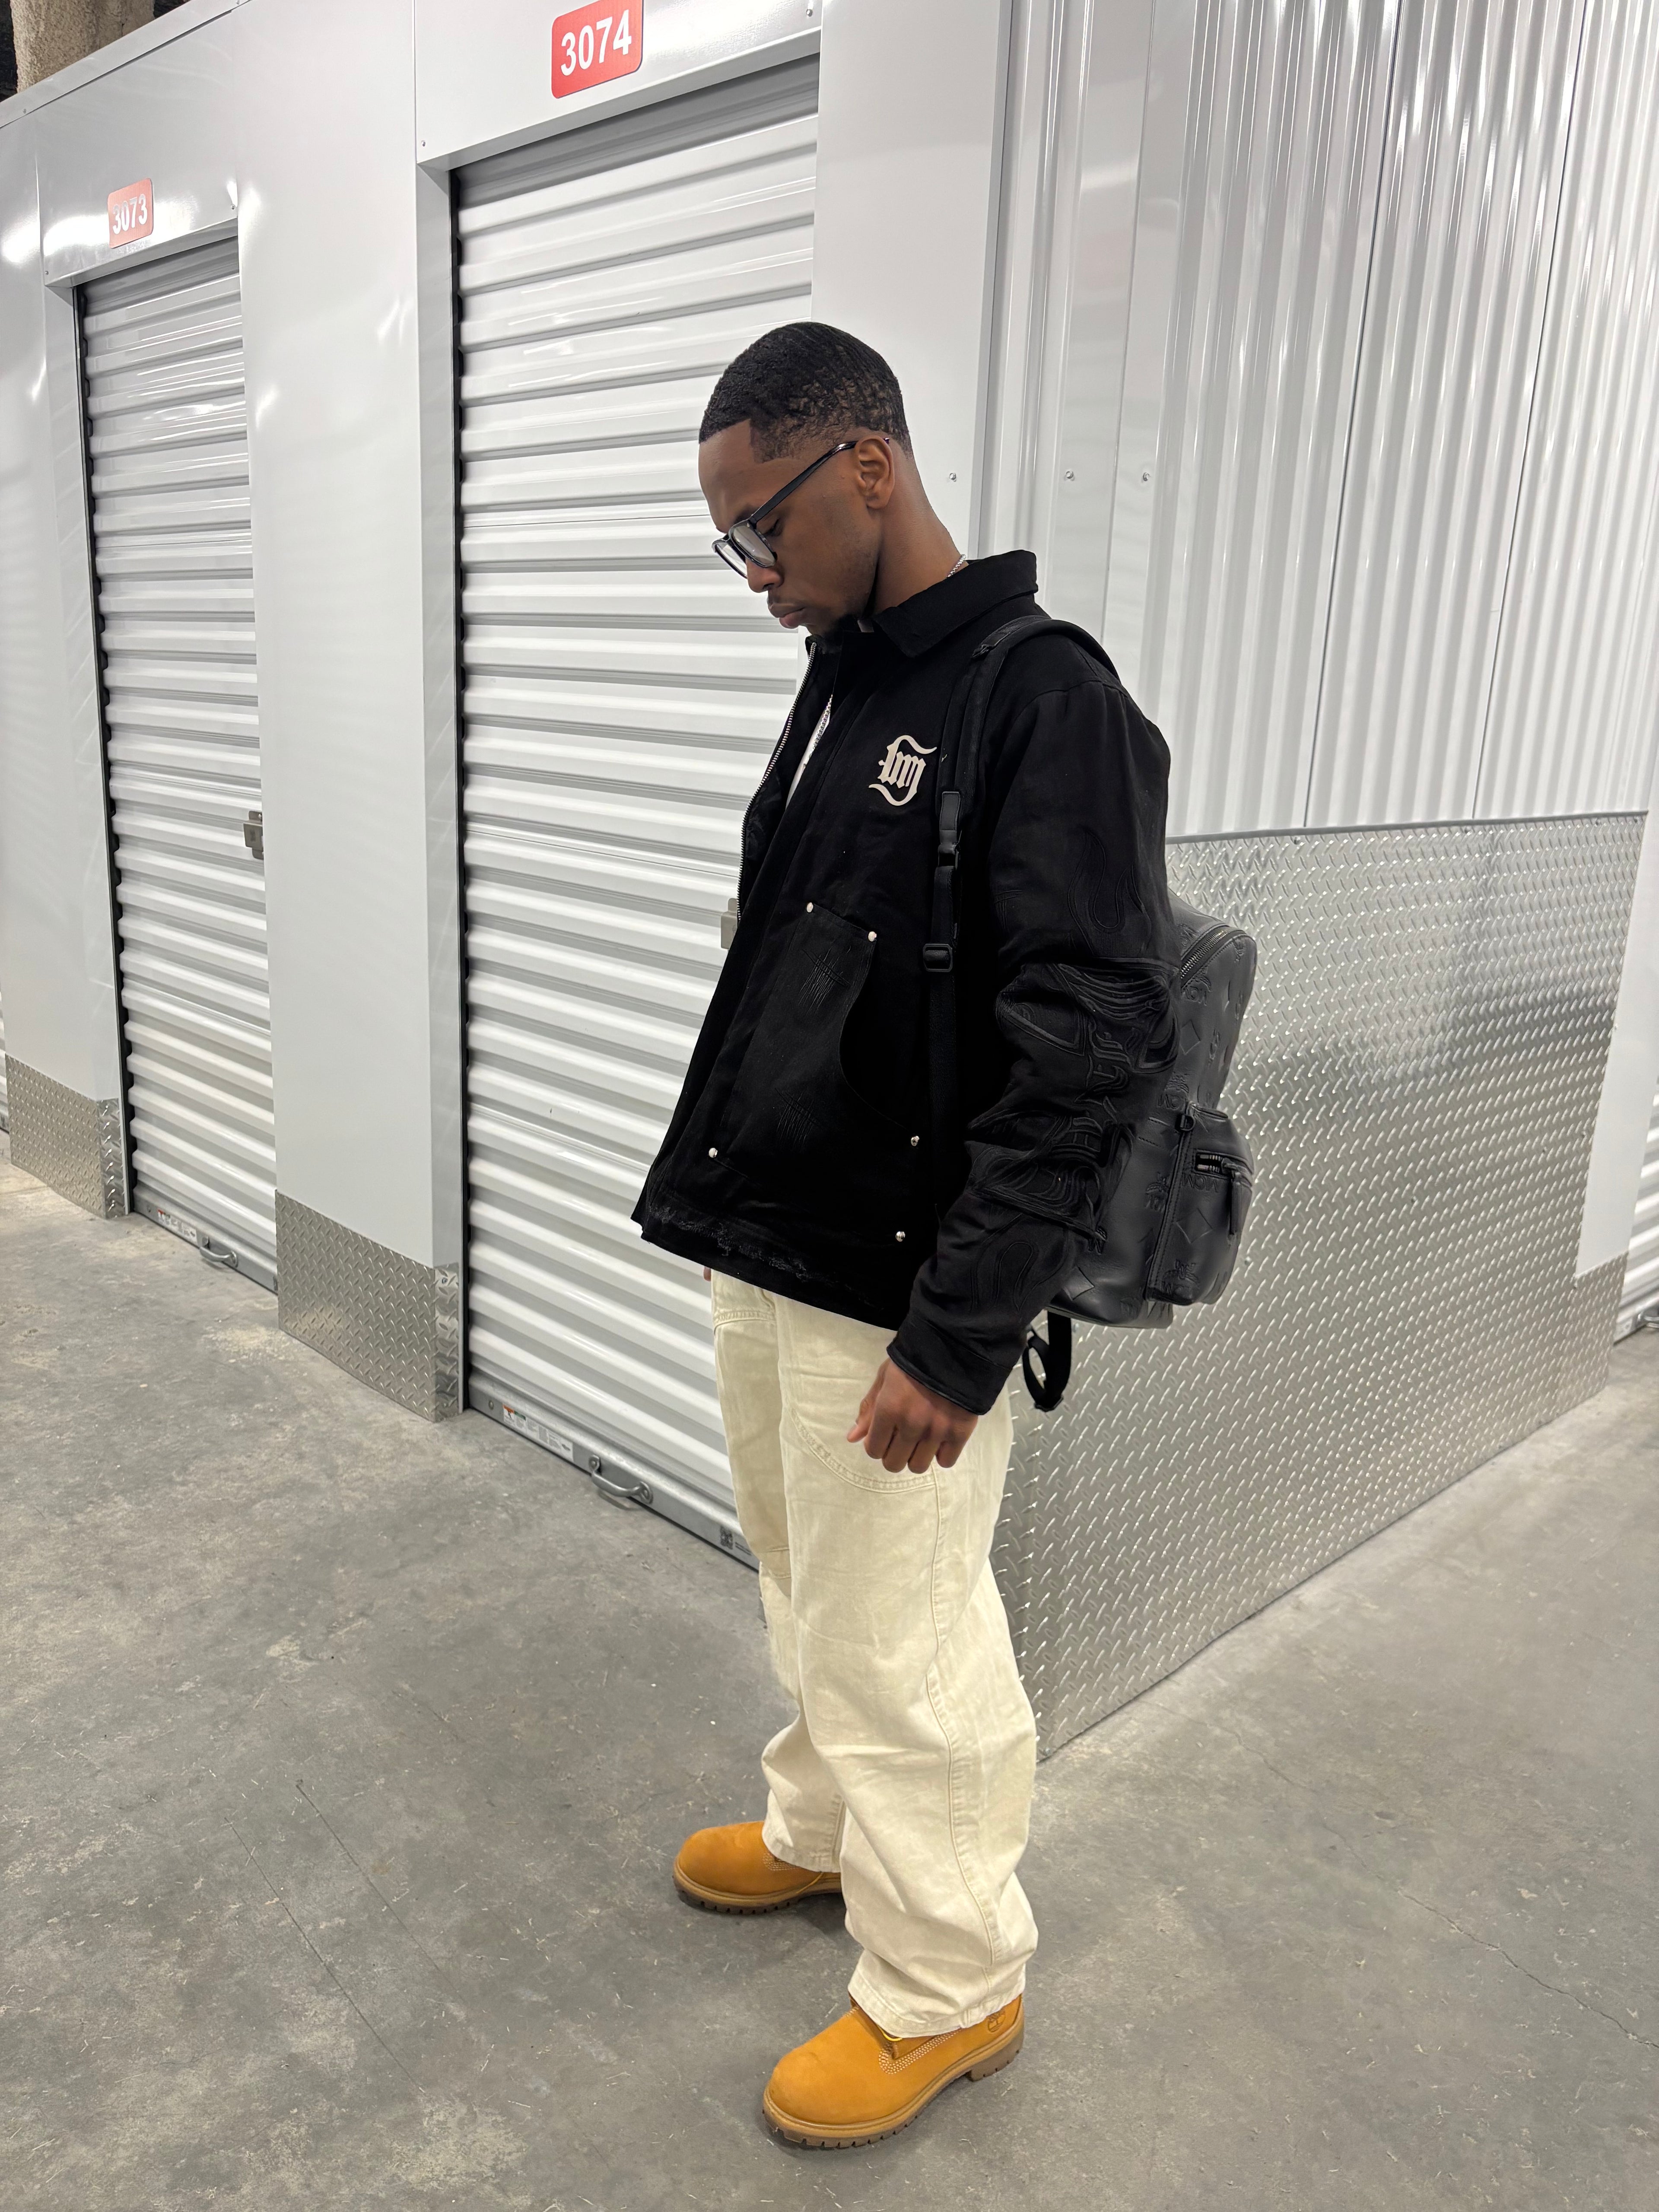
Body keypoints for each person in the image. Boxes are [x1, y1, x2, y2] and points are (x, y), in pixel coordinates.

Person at [632, 321, 1177, 2147]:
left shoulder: (1042, 696)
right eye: (730, 541)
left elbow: (1089, 1038)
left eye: (764, 527)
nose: (756, 575)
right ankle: (821, 1827)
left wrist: (959, 1334)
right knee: (806, 1580)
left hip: (900, 1282)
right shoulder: (849, 679)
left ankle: (953, 1977)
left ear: (869, 467)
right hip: (781, 1233)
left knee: (903, 1632)